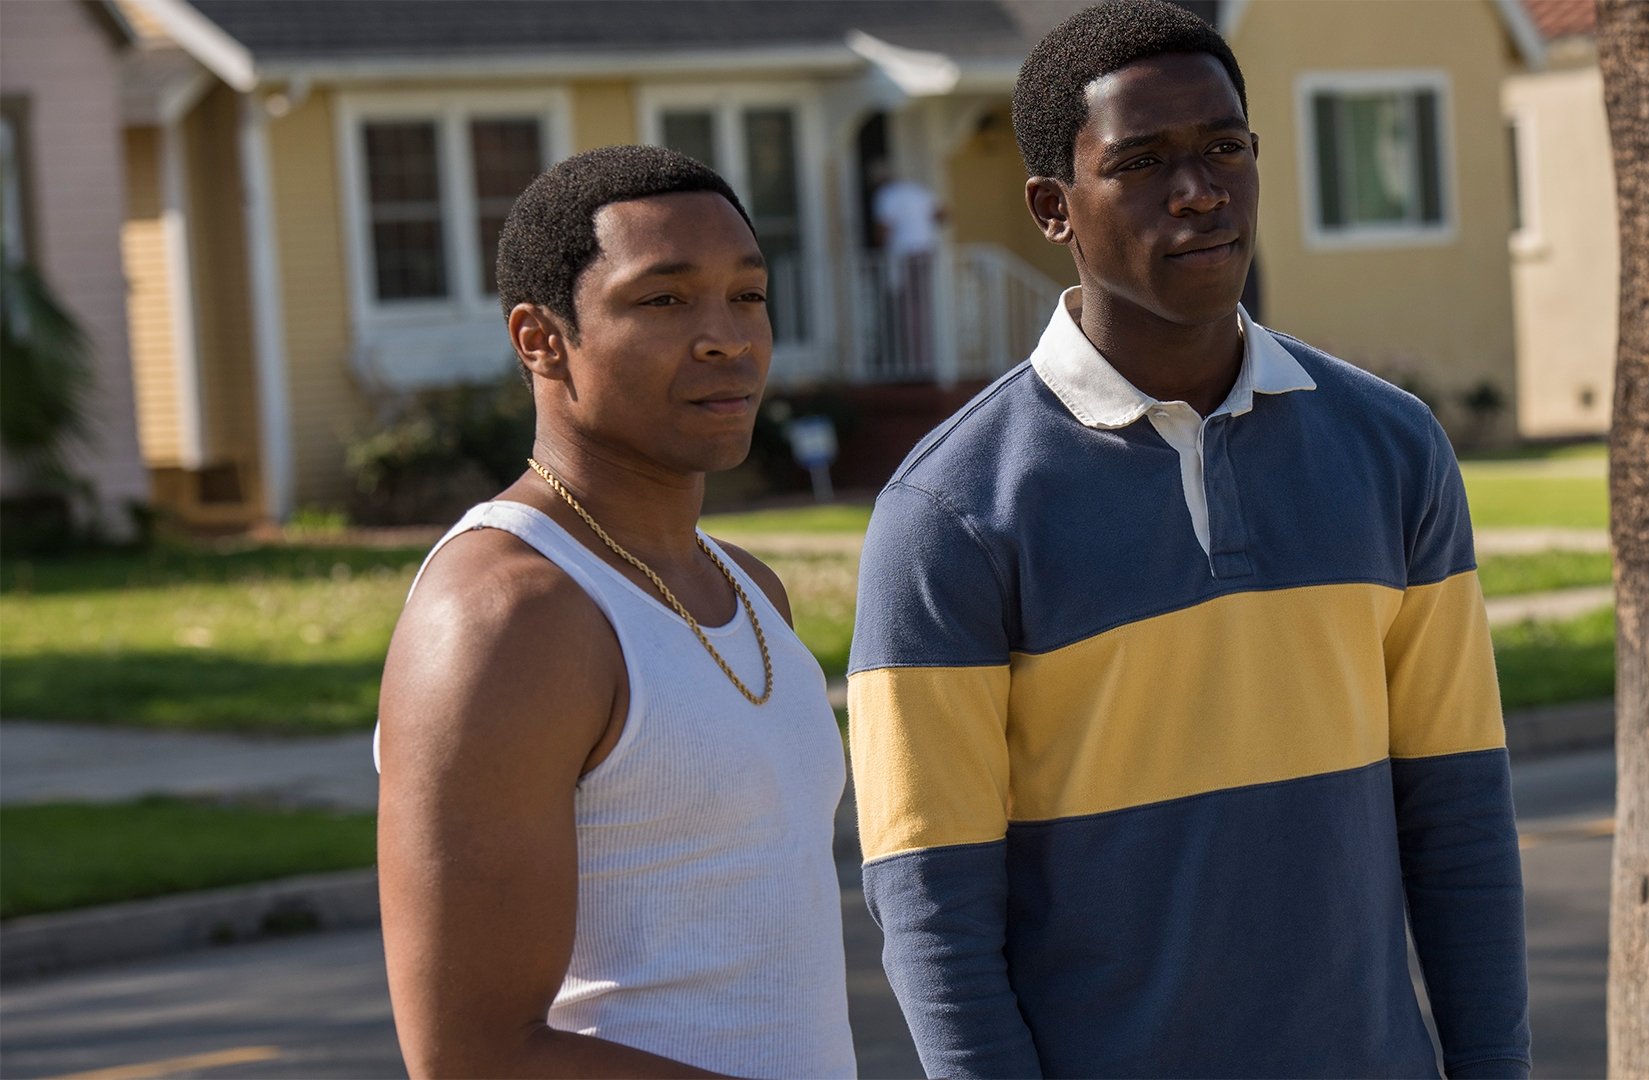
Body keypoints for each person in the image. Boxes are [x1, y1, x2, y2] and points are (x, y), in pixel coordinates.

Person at [847, 2, 1531, 1077]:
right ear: (1053, 207)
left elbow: (1459, 817)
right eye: (1143, 162)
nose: (1200, 190)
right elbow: (935, 909)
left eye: (1224, 148)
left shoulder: (1393, 448)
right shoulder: (949, 513)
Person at [376, 144, 856, 1079]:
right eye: (664, 300)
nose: (727, 338)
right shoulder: (507, 614)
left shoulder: (752, 590)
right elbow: (471, 1057)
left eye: (748, 295)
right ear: (540, 338)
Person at [869, 161, 944, 375]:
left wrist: (877, 255)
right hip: (926, 252)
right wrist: (922, 227)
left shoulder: (885, 195)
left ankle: (914, 364)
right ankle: (924, 360)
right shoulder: (916, 190)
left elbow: (883, 229)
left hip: (905, 255)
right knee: (923, 307)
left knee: (907, 309)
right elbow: (942, 214)